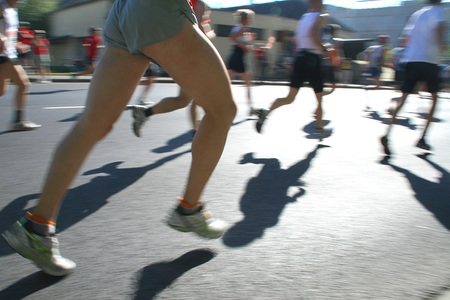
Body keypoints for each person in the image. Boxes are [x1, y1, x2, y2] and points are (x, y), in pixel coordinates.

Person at [2, 0, 236, 276]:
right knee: (222, 111)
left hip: (125, 11)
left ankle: (37, 227)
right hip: (158, 10)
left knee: (93, 124)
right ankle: (189, 209)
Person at [132, 0, 213, 137]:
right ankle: (198, 134)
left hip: (183, 52)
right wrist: (209, 35)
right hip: (193, 55)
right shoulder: (199, 4)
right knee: (213, 99)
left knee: (183, 100)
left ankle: (145, 113)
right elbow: (198, 29)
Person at [255, 0, 332, 135]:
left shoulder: (304, 18)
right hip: (312, 59)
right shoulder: (319, 16)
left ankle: (266, 111)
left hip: (300, 58)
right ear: (318, 2)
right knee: (319, 99)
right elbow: (313, 33)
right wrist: (324, 48)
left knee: (289, 98)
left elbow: (297, 39)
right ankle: (320, 130)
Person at [381, 0, 446, 155]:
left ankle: (387, 133)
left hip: (412, 60)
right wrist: (442, 48)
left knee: (404, 97)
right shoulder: (437, 11)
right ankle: (422, 138)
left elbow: (406, 38)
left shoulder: (417, 14)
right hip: (429, 60)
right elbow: (439, 30)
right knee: (435, 98)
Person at [0, 0, 40, 131]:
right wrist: (2, 39)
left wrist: (17, 44)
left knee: (1, 92)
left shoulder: (13, 10)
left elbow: (9, 34)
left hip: (9, 54)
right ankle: (18, 121)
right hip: (3, 55)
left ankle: (18, 121)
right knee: (24, 84)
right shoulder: (1, 6)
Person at [227, 9, 256, 116]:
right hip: (239, 57)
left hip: (235, 56)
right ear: (246, 19)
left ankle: (220, 103)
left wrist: (248, 41)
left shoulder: (238, 28)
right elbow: (232, 38)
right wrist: (244, 46)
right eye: (249, 19)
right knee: (248, 83)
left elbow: (239, 39)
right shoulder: (243, 28)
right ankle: (250, 107)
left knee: (227, 83)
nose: (250, 21)